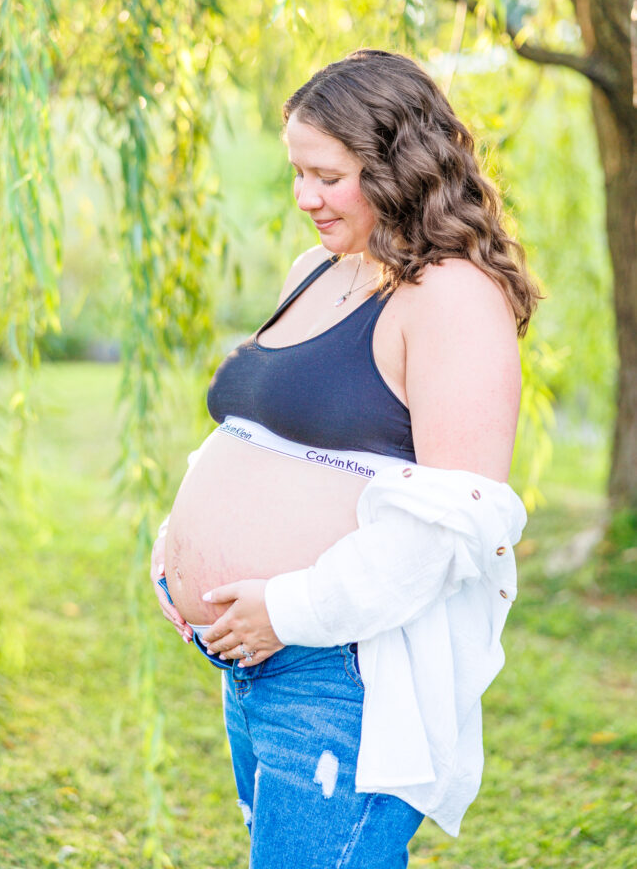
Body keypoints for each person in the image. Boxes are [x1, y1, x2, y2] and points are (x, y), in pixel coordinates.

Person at [150, 48, 540, 868]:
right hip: (256, 669)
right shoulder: (318, 269)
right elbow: (265, 429)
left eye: (326, 176)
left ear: (398, 166)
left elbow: (454, 529)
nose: (303, 198)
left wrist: (287, 608)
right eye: (297, 172)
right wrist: (175, 541)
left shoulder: (453, 296)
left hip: (340, 680)